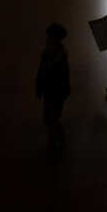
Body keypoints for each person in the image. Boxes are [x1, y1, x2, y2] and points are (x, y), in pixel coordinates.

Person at [35, 22, 70, 152]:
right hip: (52, 92)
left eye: (49, 37)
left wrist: (39, 87)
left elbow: (43, 72)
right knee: (49, 118)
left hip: (55, 92)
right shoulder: (50, 54)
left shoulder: (57, 55)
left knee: (52, 118)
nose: (47, 39)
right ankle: (56, 141)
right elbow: (41, 71)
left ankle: (55, 143)